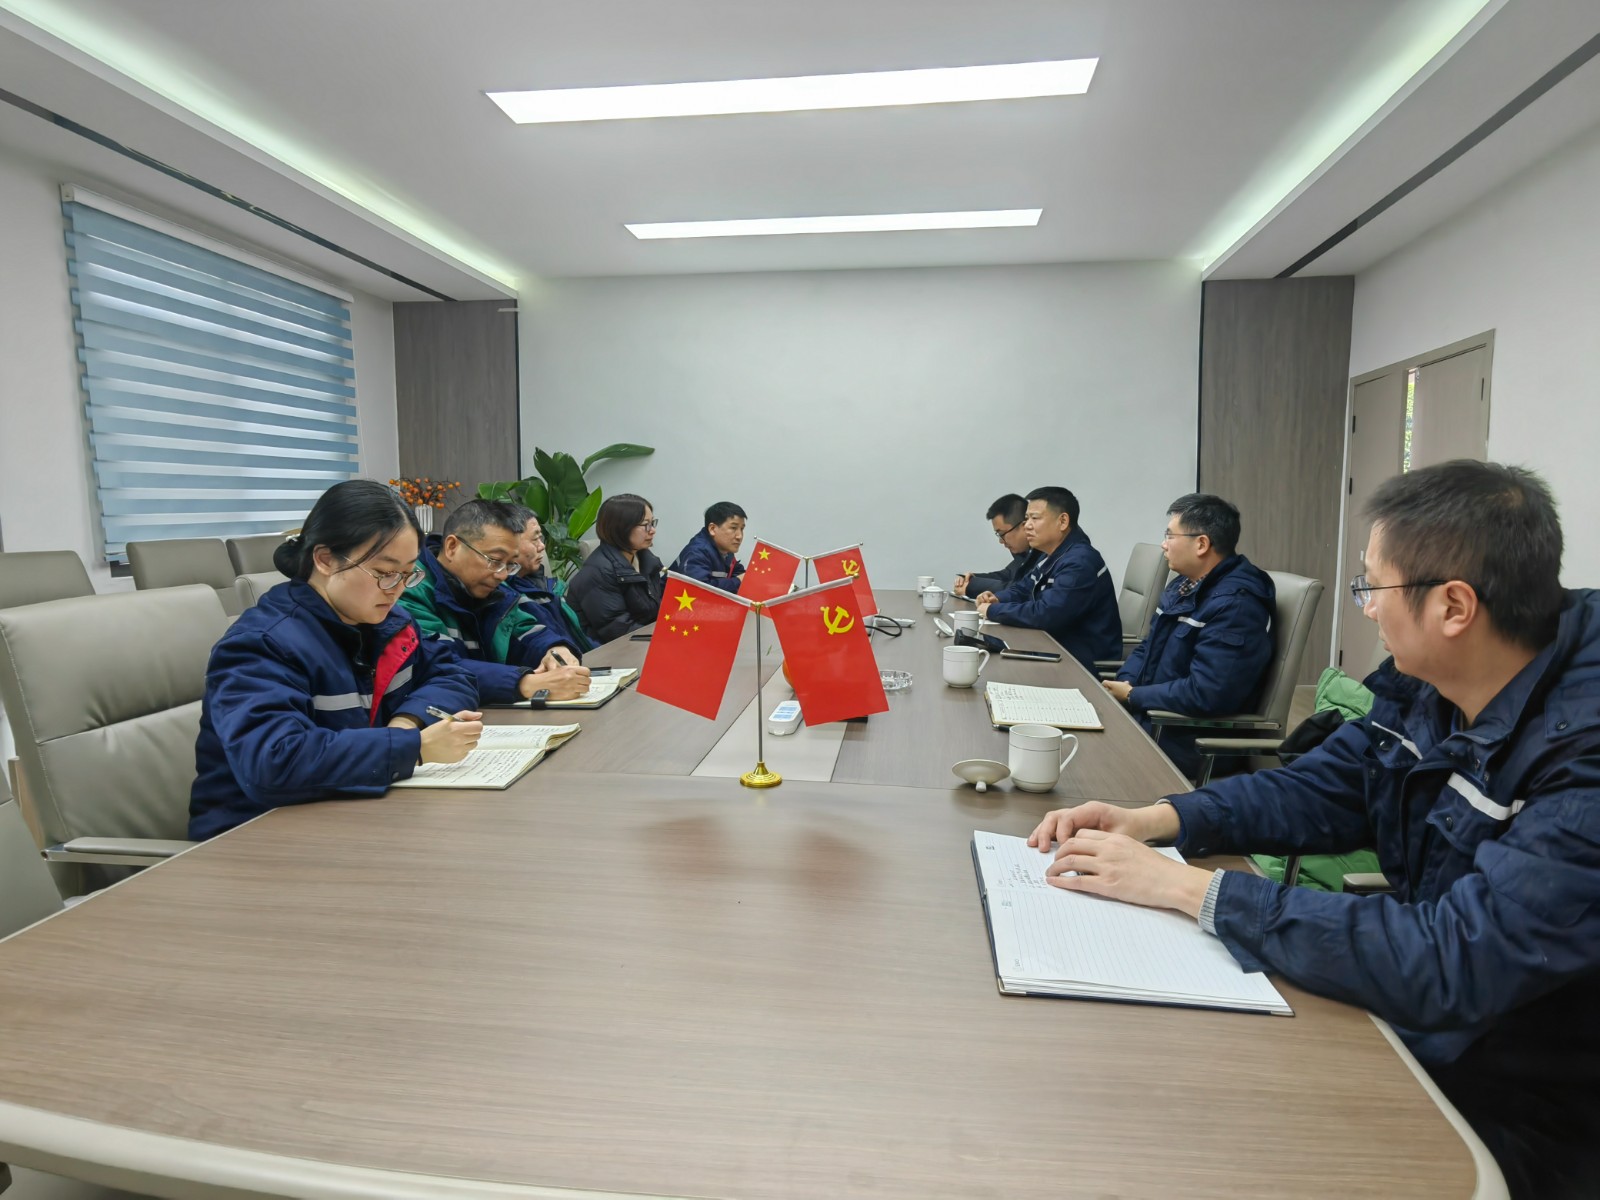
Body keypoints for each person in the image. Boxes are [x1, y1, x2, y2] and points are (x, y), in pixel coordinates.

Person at [1027, 460, 1600, 1198]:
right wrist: (1158, 819)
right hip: (1433, 1029)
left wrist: (1193, 892)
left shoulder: (1582, 755)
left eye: (1373, 588)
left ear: (1454, 606)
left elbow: (1458, 958)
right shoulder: (1433, 682)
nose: (1367, 610)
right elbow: (1327, 785)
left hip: (1527, 1102)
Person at [188, 480, 481, 840]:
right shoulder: (262, 643)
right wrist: (413, 748)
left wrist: (407, 722)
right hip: (253, 839)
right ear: (325, 559)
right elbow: (273, 762)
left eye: (408, 574)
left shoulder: (390, 624)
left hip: (351, 817)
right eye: (385, 573)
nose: (397, 589)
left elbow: (454, 675)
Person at [1105, 494, 1275, 777]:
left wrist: (1134, 695)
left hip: (1184, 739)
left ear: (1201, 544)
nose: (1163, 544)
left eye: (1170, 536)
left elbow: (1206, 692)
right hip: (1153, 720)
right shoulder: (1183, 586)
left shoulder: (1236, 606)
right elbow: (1147, 646)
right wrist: (1126, 681)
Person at [397, 499, 590, 704]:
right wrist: (524, 684)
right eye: (495, 560)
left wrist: (555, 649)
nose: (503, 574)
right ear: (452, 547)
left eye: (510, 564)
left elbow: (525, 630)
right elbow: (438, 665)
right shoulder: (410, 590)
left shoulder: (494, 589)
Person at [973, 486, 1121, 668]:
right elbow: (1023, 588)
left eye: (1034, 518)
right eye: (1026, 519)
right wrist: (997, 599)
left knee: (996, 668)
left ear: (1063, 521)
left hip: (1081, 663)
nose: (1027, 525)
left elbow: (1047, 614)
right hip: (1054, 648)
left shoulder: (1080, 562)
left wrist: (992, 610)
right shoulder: (1050, 554)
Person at [566, 493, 665, 642]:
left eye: (653, 523)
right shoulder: (597, 572)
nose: (652, 530)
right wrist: (665, 637)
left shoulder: (645, 559)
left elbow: (654, 611)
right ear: (622, 528)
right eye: (646, 525)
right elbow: (617, 629)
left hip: (643, 639)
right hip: (610, 649)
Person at [504, 505, 594, 653]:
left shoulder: (548, 586)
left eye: (541, 538)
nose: (542, 547)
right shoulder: (510, 597)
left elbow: (579, 639)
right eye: (535, 539)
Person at [954, 493, 1037, 598]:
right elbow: (1007, 575)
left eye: (1002, 534)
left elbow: (1019, 589)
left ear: (1024, 525)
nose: (1001, 541)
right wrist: (971, 578)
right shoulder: (1024, 553)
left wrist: (971, 586)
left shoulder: (1044, 552)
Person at [670, 501, 747, 592]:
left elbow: (737, 572)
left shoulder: (725, 550)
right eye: (733, 528)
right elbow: (698, 590)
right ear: (712, 529)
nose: (739, 536)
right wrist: (738, 581)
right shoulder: (697, 552)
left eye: (742, 529)